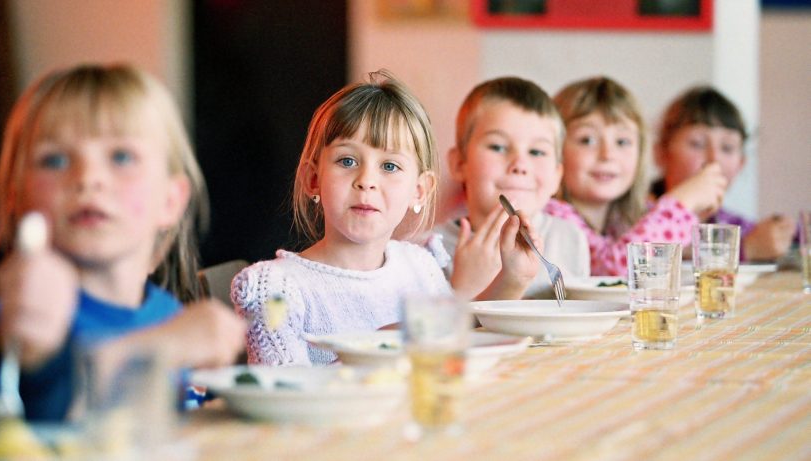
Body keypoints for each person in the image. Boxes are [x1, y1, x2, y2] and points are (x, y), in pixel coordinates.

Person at [231, 70, 540, 366]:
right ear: (313, 179)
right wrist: (381, 346)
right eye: (347, 160)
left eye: (389, 166)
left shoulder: (417, 265)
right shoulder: (275, 288)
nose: (367, 180)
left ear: (419, 191)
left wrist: (513, 277)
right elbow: (283, 396)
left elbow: (459, 330)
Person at [0, 63, 246, 422]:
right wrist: (164, 347)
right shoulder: (19, 318)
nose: (88, 177)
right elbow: (40, 412)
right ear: (17, 197)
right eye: (55, 159)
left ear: (170, 200)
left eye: (121, 157)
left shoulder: (166, 313)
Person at [545, 76, 727, 276]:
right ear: (555, 149)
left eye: (622, 142)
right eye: (587, 140)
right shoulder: (551, 216)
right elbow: (612, 270)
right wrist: (681, 203)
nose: (607, 155)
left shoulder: (623, 218)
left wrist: (694, 217)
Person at [435, 76, 589, 300]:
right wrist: (463, 292)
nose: (519, 165)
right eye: (497, 147)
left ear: (557, 176)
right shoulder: (428, 250)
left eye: (537, 152)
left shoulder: (569, 238)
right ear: (459, 163)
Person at [651, 86, 796, 261]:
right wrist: (745, 249)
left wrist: (786, 234)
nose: (714, 159)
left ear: (741, 164)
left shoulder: (731, 224)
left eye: (727, 148)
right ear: (661, 154)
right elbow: (650, 254)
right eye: (697, 144)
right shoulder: (635, 216)